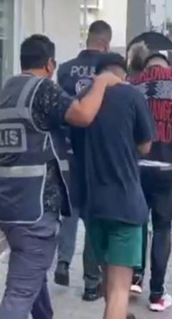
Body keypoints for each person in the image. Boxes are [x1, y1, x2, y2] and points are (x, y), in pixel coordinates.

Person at [0, 34, 122, 319]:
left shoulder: (8, 89)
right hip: (35, 207)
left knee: (32, 273)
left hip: (6, 204)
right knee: (20, 292)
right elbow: (83, 115)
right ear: (50, 64)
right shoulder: (42, 89)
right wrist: (102, 82)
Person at [81, 53, 154, 319]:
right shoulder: (132, 96)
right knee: (121, 289)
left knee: (109, 283)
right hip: (126, 205)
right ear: (122, 75)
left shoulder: (84, 100)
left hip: (94, 206)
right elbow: (146, 145)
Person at [126, 34, 172, 312]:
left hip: (137, 165)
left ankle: (135, 278)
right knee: (163, 228)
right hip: (167, 165)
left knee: (138, 222)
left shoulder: (134, 83)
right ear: (168, 62)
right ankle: (157, 294)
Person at [54, 20, 112, 301]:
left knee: (70, 207)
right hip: (98, 153)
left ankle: (63, 260)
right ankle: (91, 283)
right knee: (93, 216)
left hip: (68, 149)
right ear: (106, 44)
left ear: (88, 39)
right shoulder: (108, 72)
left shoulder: (65, 69)